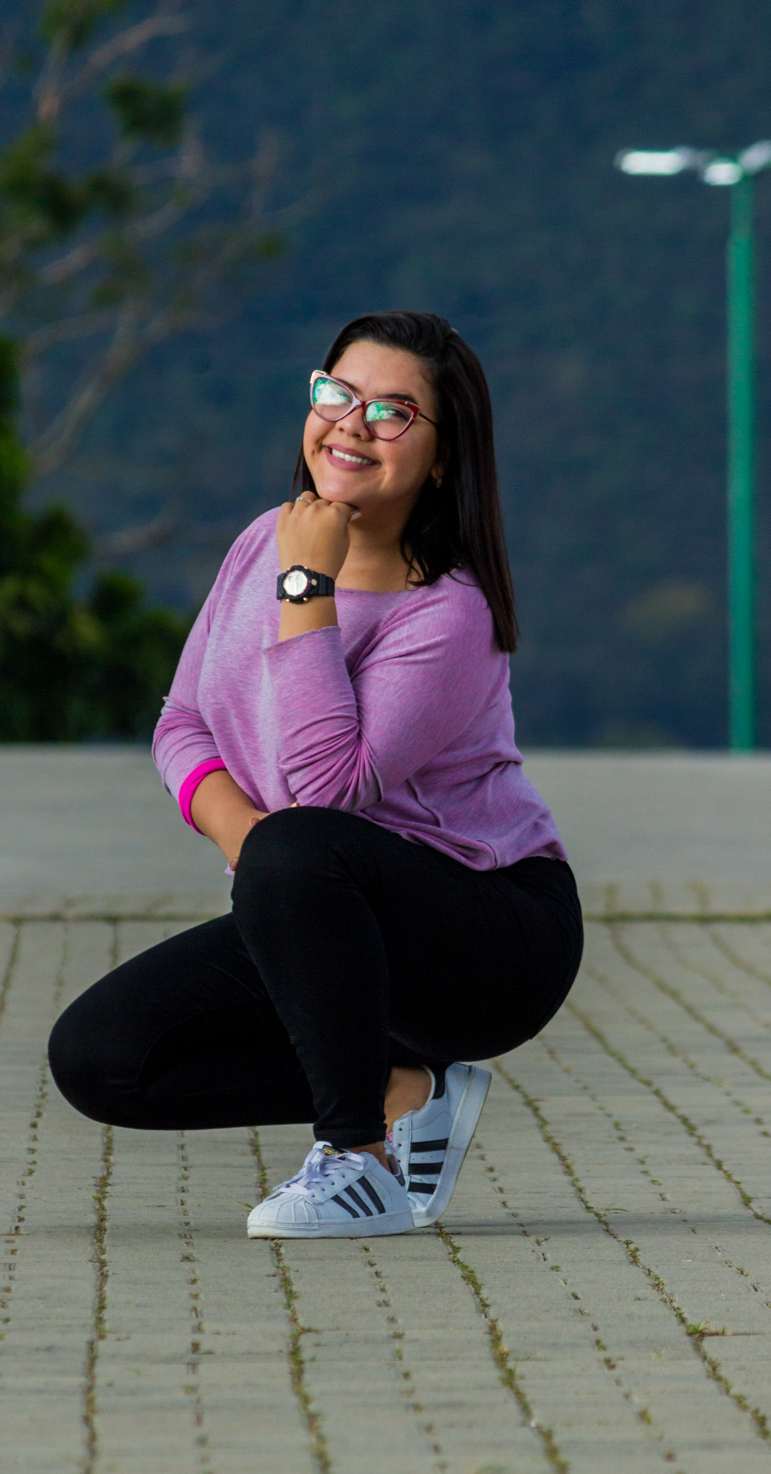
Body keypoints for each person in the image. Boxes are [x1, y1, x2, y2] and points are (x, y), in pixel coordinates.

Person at [48, 310, 583, 1239]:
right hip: (317, 907)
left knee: (302, 847)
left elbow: (327, 790)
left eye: (391, 412)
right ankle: (409, 1088)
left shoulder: (447, 611)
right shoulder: (263, 542)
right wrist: (251, 846)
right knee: (102, 1058)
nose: (351, 424)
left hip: (489, 939)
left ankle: (358, 1164)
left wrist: (308, 589)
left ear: (442, 458)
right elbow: (181, 721)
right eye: (336, 394)